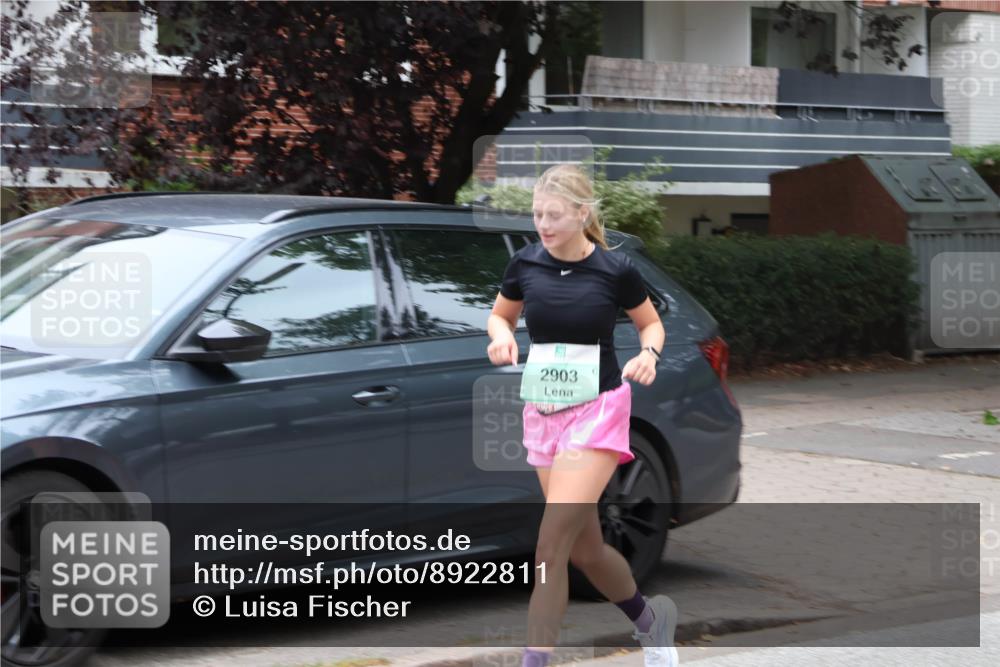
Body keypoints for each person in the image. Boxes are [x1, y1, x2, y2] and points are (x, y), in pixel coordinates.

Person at [486, 163, 679, 667]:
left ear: (581, 213)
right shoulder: (524, 264)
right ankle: (650, 623)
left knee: (550, 547)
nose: (542, 226)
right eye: (536, 215)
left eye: (553, 216)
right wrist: (502, 336)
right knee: (585, 551)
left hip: (598, 410)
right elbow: (500, 314)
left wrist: (649, 355)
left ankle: (535, 662)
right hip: (544, 409)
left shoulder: (615, 270)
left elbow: (651, 325)